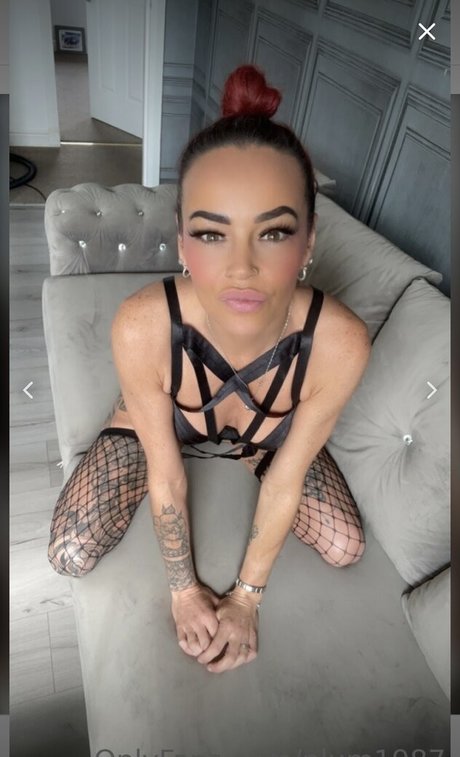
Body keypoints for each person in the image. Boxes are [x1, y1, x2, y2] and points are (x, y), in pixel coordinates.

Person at [48, 64, 371, 674]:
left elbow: (287, 481)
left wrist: (245, 600)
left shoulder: (341, 343)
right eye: (212, 234)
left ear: (308, 242)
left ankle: (243, 445)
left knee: (345, 545)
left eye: (273, 232)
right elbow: (167, 479)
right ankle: (149, 417)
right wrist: (183, 591)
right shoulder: (142, 325)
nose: (241, 268)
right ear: (181, 241)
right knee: (69, 552)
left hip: (263, 438)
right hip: (162, 428)